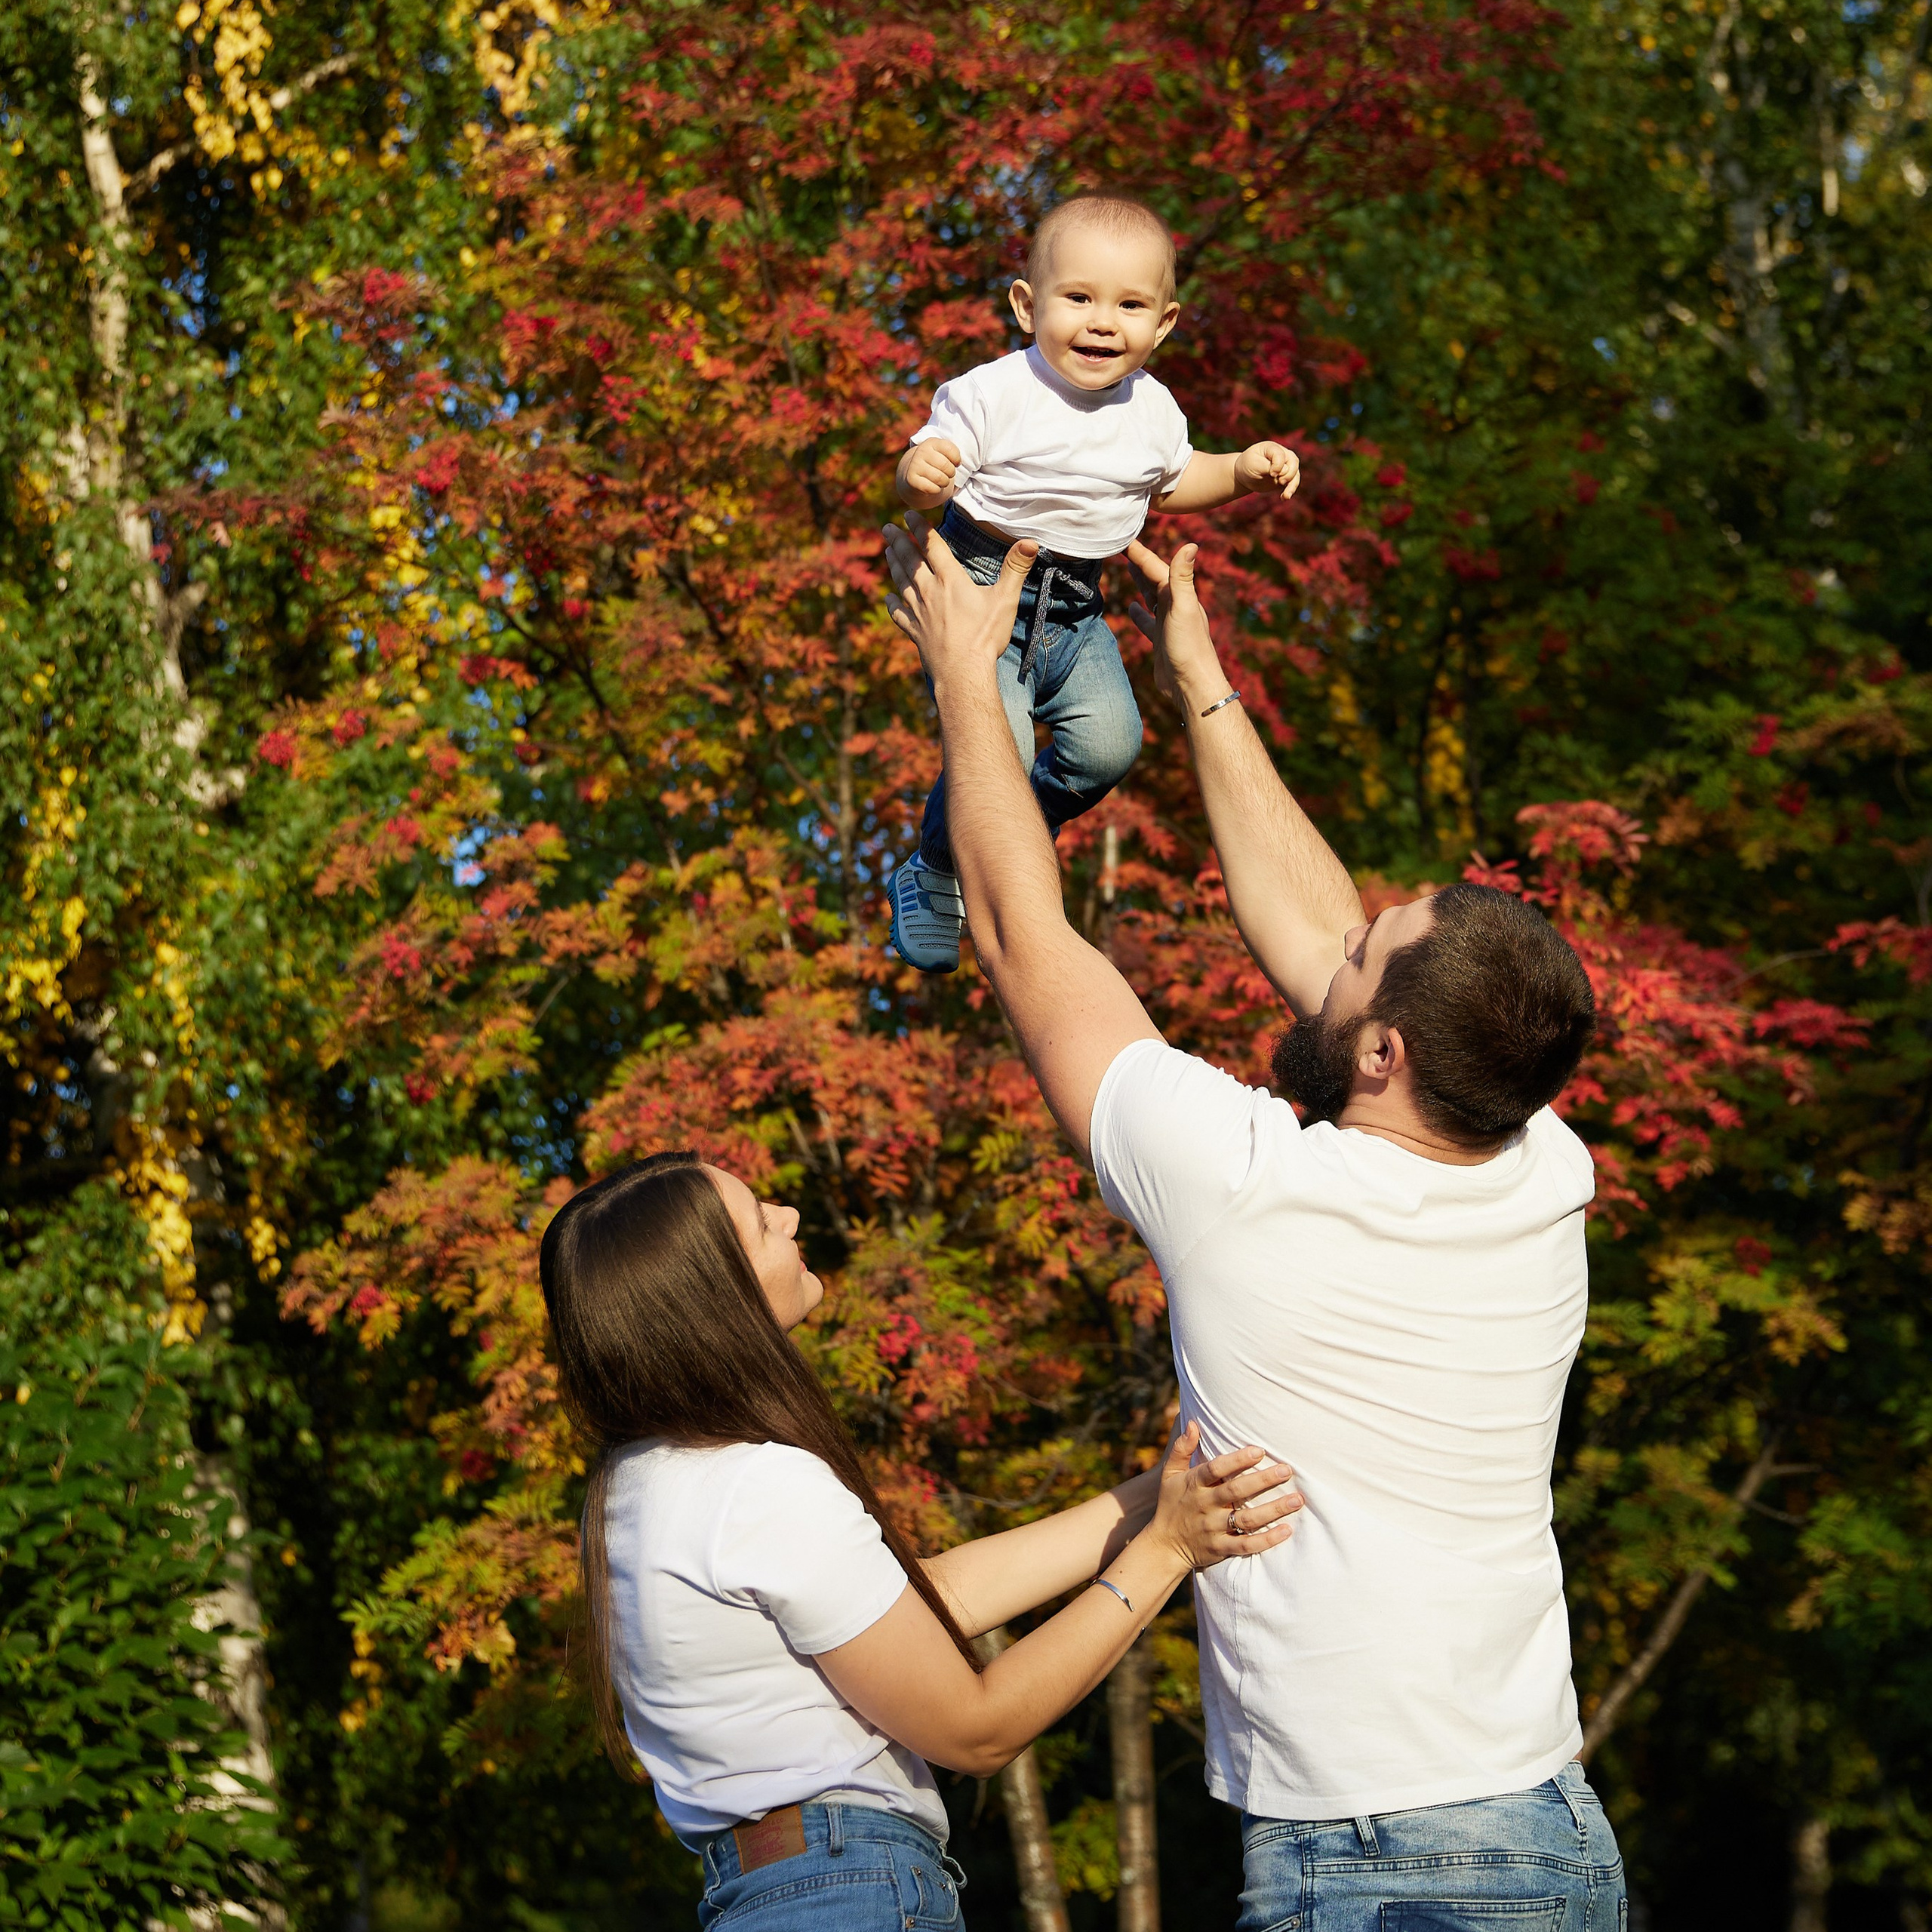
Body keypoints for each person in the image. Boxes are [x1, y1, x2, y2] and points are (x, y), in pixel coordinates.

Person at [878, 515, 1630, 1928]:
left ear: (1387, 1053)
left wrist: (969, 681)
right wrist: (1199, 676)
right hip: (1546, 1834)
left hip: (1381, 1869)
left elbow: (1021, 933)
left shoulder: (1246, 1185)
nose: (1339, 940)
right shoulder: (1540, 1165)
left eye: (1366, 953)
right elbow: (1324, 941)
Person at [540, 1149, 1303, 1930]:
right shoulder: (755, 1485)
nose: (790, 1217)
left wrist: (1153, 1495)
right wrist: (1167, 1551)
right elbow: (976, 1730)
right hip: (849, 1890)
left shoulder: (641, 1488)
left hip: (768, 1894)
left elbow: (917, 1606)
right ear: (710, 1297)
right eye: (761, 1224)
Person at [887, 192, 1302, 974]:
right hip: (984, 588)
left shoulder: (1153, 410)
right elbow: (921, 467)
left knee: (1110, 747)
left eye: (1130, 305)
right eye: (1078, 298)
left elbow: (1172, 483)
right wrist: (920, 474)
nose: (1103, 322)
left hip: (1079, 606)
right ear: (1027, 305)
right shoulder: (995, 392)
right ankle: (937, 869)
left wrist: (1241, 472)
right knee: (998, 751)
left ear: (1164, 323)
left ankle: (1020, 822)